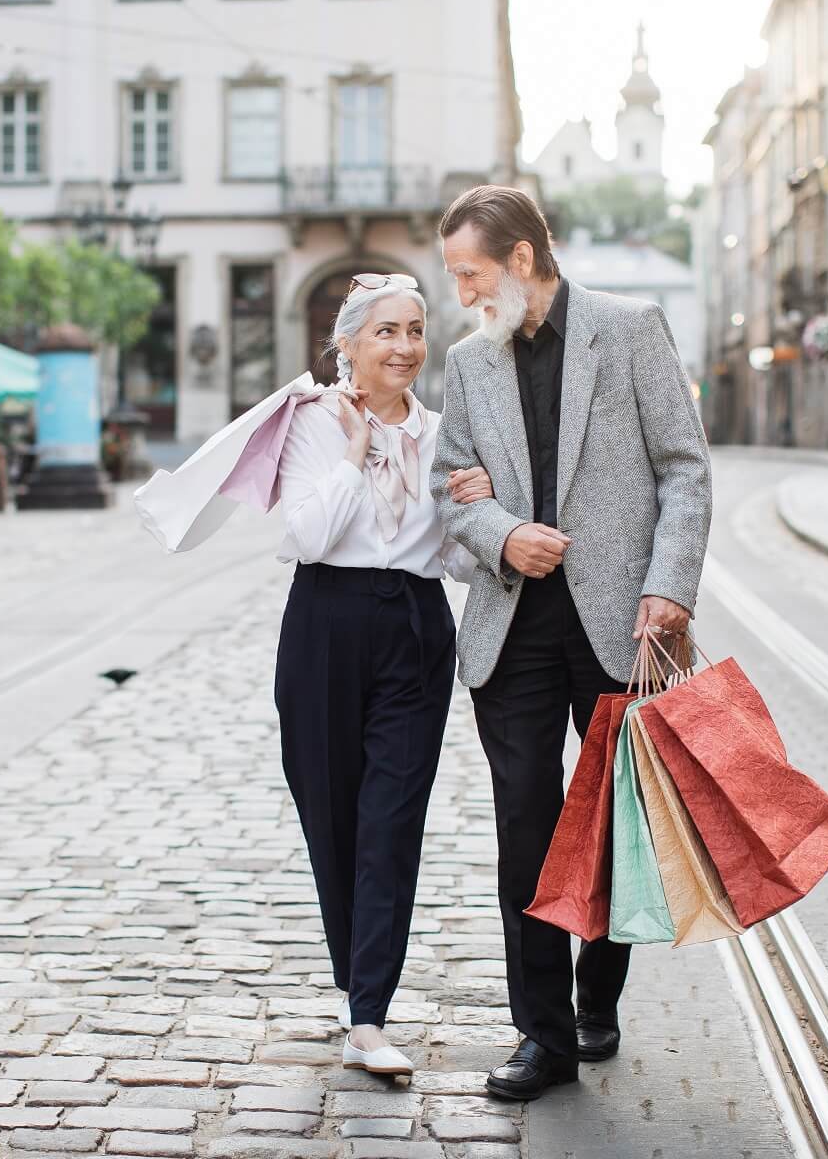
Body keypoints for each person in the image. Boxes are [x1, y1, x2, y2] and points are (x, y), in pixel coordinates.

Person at [429, 185, 713, 1101]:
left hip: (616, 626)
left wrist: (668, 586)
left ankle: (601, 999)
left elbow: (684, 465)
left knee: (605, 829)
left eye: (470, 273)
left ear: (520, 259)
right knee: (526, 829)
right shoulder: (467, 363)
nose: (462, 293)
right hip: (510, 628)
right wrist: (502, 533)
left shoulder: (629, 329)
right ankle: (540, 1036)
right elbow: (447, 491)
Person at [273, 273, 492, 1077]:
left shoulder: (443, 434)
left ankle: (369, 1013)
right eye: (385, 333)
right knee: (331, 815)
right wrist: (355, 456)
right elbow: (304, 535)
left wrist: (479, 506)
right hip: (324, 624)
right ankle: (356, 975)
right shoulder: (310, 423)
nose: (404, 347)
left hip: (414, 627)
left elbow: (457, 561)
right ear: (348, 346)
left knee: (392, 820)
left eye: (414, 330)